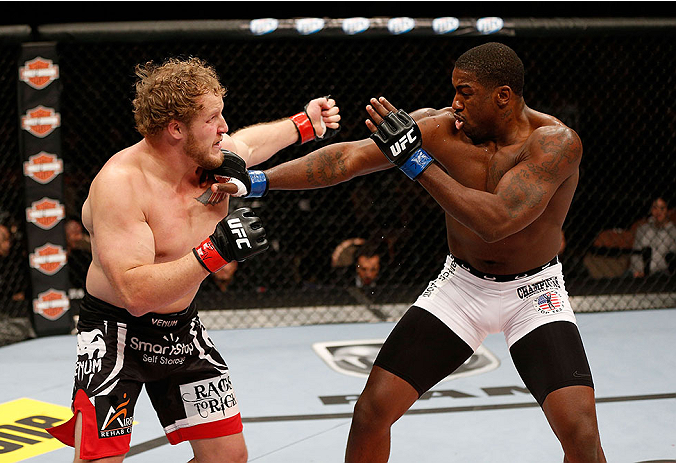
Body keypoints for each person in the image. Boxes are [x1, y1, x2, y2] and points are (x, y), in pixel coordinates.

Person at [216, 42, 606, 462]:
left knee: (580, 436)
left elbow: (496, 221)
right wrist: (256, 182)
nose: (455, 103)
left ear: (503, 96)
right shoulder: (438, 128)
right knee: (371, 411)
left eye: (466, 92)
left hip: (534, 294)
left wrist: (415, 161)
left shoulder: (555, 142)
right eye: (454, 90)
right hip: (463, 287)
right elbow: (347, 159)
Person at [46, 56, 340, 463]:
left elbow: (250, 144)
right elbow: (135, 293)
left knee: (228, 458)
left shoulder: (210, 159)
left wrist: (303, 124)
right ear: (176, 129)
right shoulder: (121, 185)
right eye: (213, 118)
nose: (224, 128)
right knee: (100, 460)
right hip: (116, 336)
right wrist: (214, 251)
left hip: (181, 331)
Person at [630, 196, 676, 277]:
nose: (658, 212)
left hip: (661, 273)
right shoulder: (642, 230)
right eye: (655, 208)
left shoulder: (673, 232)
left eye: (662, 208)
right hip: (640, 271)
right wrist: (637, 270)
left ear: (667, 211)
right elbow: (636, 254)